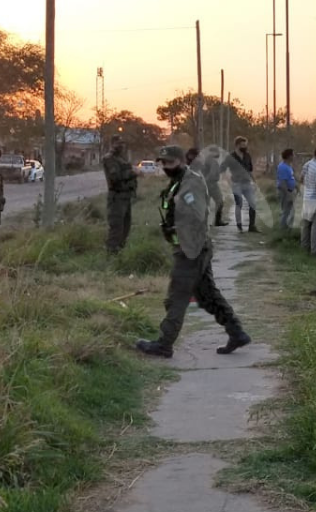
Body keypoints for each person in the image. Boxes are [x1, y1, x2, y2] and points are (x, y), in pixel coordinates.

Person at [136, 145, 251, 359]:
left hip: (191, 250)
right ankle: (237, 332)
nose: (165, 167)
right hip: (193, 248)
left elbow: (198, 215)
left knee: (177, 297)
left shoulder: (191, 183)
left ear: (180, 161)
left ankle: (164, 344)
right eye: (163, 163)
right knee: (207, 296)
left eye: (169, 163)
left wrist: (180, 215)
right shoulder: (179, 182)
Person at [102, 135, 137, 254]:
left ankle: (120, 252)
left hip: (125, 197)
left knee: (125, 228)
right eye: (118, 144)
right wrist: (132, 173)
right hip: (116, 197)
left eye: (122, 143)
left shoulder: (121, 158)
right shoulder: (109, 158)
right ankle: (111, 255)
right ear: (112, 144)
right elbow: (115, 177)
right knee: (116, 228)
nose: (121, 146)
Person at [225, 136, 259, 232]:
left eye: (245, 145)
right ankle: (239, 225)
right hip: (236, 183)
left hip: (247, 183)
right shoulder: (231, 156)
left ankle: (252, 227)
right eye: (242, 145)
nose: (245, 147)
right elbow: (224, 169)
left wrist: (255, 182)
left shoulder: (247, 156)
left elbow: (250, 170)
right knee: (239, 204)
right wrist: (229, 181)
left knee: (253, 204)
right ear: (237, 145)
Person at [276, 148, 297, 229]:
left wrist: (296, 187)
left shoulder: (288, 166)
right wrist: (288, 194)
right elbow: (282, 182)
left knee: (291, 211)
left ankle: (288, 227)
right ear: (289, 156)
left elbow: (291, 178)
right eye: (293, 155)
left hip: (290, 190)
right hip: (285, 191)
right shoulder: (282, 167)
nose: (294, 157)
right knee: (286, 211)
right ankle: (283, 228)